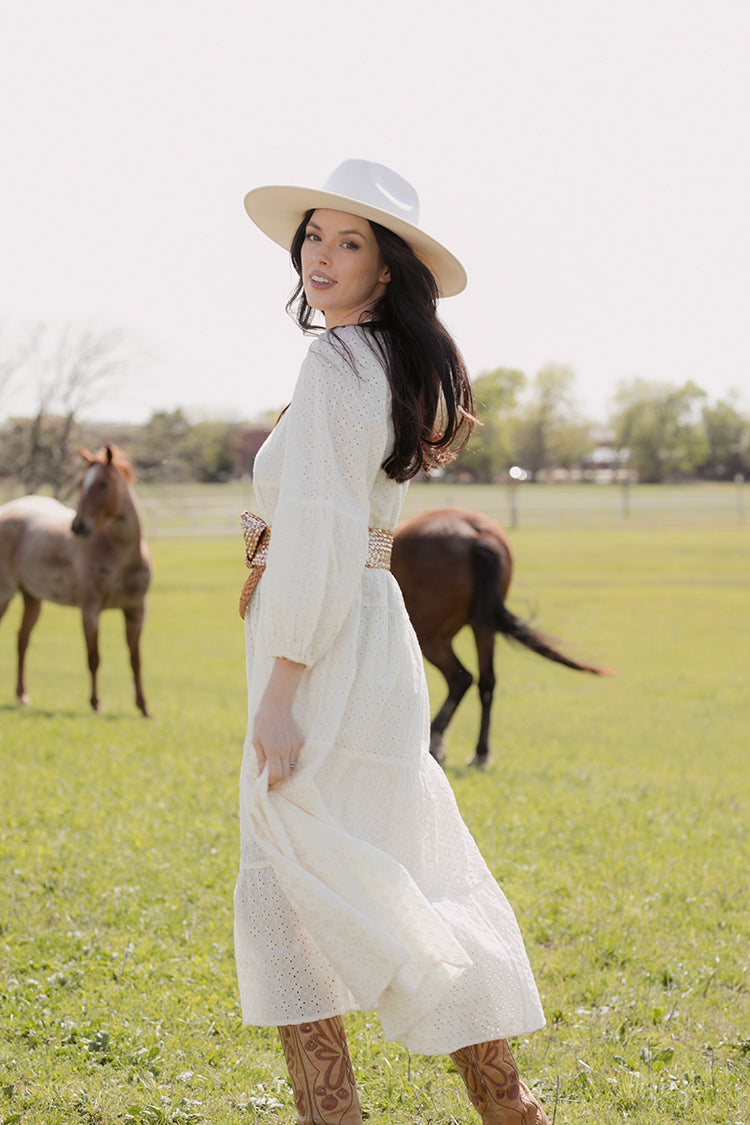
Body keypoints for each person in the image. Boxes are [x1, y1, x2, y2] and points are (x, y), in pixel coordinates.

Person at [234, 159, 550, 1125]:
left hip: (323, 648)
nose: (321, 256)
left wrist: (282, 687)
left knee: (287, 882)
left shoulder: (335, 365)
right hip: (372, 640)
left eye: (349, 241)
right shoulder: (386, 360)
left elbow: (324, 532)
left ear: (388, 267)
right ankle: (511, 1107)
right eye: (314, 238)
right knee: (395, 863)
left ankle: (336, 1117)